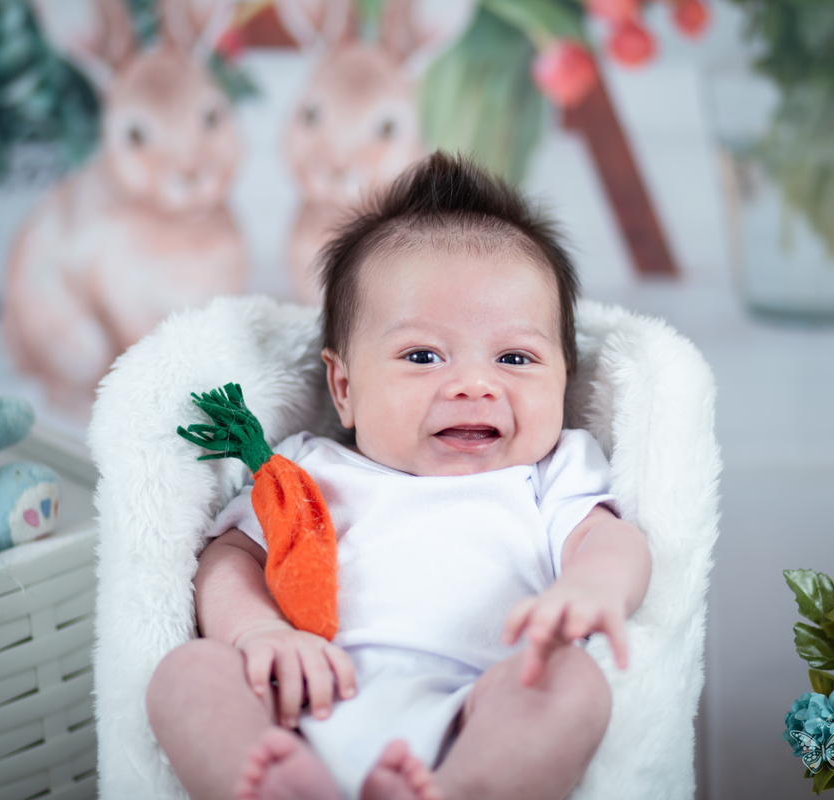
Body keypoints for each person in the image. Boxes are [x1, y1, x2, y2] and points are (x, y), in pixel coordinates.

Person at [145, 152, 652, 800]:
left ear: (563, 380)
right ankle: (281, 783)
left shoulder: (552, 473)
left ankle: (460, 790)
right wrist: (257, 632)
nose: (474, 384)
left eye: (515, 358)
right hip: (304, 698)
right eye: (423, 355)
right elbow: (231, 557)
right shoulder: (309, 468)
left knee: (573, 687)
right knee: (186, 674)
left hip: (476, 709)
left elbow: (609, 539)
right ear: (345, 388)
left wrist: (595, 586)